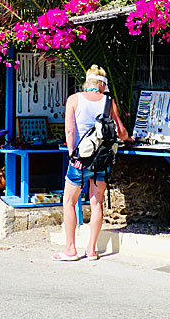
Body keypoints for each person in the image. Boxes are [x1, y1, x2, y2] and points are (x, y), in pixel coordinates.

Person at [55, 65, 131, 261]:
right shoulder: (108, 101)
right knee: (97, 202)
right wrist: (129, 138)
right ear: (102, 84)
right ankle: (91, 249)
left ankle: (71, 249)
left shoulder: (74, 100)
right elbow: (121, 131)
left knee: (69, 203)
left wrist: (73, 155)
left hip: (80, 162)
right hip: (102, 162)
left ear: (87, 82)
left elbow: (70, 132)